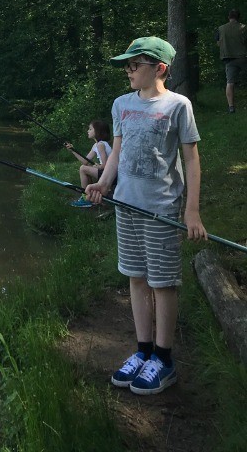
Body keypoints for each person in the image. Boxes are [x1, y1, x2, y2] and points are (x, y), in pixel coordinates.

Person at [85, 36, 207, 395]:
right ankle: (143, 352)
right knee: (136, 278)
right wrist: (104, 184)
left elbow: (191, 161)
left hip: (161, 211)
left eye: (134, 65)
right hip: (126, 205)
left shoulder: (177, 106)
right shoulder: (121, 105)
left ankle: (164, 361)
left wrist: (192, 211)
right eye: (127, 65)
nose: (128, 71)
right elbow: (117, 155)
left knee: (162, 283)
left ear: (160, 69)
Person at [65, 120, 112, 208]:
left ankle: (85, 197)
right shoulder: (96, 145)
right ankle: (91, 195)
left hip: (109, 174)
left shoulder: (100, 145)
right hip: (107, 172)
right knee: (85, 166)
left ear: (97, 131)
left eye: (90, 129)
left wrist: (99, 166)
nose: (88, 131)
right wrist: (72, 150)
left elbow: (106, 165)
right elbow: (85, 161)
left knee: (83, 168)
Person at [216, 9, 247, 113]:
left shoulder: (221, 29)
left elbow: (218, 43)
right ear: (239, 17)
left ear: (228, 17)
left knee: (230, 83)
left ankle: (231, 107)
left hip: (229, 59)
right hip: (243, 57)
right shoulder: (243, 28)